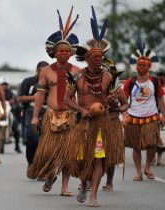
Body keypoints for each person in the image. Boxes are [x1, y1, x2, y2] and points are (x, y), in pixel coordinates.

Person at [64, 6, 127, 207]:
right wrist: (81, 110)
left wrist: (115, 107)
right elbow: (67, 99)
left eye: (101, 56)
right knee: (82, 160)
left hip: (101, 126)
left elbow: (125, 104)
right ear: (88, 57)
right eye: (96, 57)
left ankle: (94, 195)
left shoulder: (109, 77)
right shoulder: (77, 76)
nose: (99, 59)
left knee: (99, 160)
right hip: (82, 124)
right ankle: (84, 185)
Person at [30, 8, 80, 196]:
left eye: (67, 51)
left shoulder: (77, 71)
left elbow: (81, 95)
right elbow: (40, 95)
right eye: (61, 51)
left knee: (68, 153)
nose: (64, 54)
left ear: (71, 53)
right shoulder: (46, 72)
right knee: (50, 152)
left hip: (70, 116)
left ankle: (65, 187)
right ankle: (51, 174)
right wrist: (35, 117)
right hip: (51, 115)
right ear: (55, 52)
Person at [122, 35, 165, 181]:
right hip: (134, 117)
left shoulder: (154, 81)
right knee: (136, 146)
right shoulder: (130, 81)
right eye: (139, 65)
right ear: (136, 66)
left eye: (145, 65)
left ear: (149, 66)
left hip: (151, 116)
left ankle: (147, 167)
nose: (142, 67)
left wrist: (163, 115)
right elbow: (123, 99)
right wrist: (125, 115)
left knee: (152, 144)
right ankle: (139, 172)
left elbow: (160, 98)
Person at [17, 61, 49, 179]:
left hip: (47, 112)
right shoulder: (28, 82)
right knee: (32, 137)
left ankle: (42, 170)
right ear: (37, 71)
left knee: (45, 141)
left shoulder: (51, 82)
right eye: (41, 72)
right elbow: (20, 98)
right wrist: (34, 97)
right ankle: (31, 161)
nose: (44, 75)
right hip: (30, 113)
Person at [101, 58, 129, 191]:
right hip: (96, 124)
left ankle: (109, 182)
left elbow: (125, 104)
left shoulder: (117, 90)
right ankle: (88, 180)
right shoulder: (92, 88)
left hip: (113, 124)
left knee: (110, 155)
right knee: (93, 154)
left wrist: (117, 109)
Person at [155, 70, 165, 166]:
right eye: (159, 76)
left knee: (163, 139)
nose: (161, 78)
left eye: (162, 76)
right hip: (154, 115)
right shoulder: (152, 88)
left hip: (163, 115)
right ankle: (153, 158)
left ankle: (159, 159)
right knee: (153, 138)